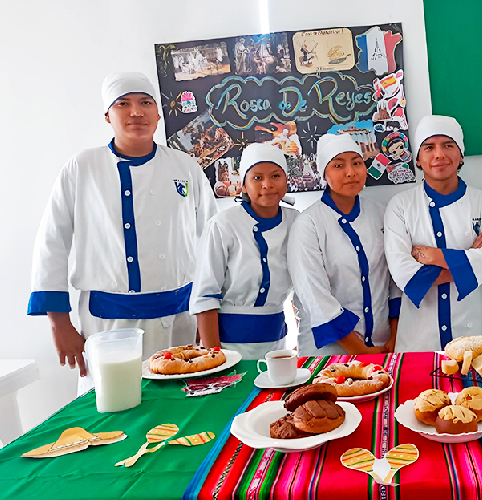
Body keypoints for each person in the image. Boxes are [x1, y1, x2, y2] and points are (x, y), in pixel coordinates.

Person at [27, 72, 218, 391]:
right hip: (108, 321)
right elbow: (52, 242)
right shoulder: (83, 168)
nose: (136, 112)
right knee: (111, 409)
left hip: (179, 317)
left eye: (145, 103)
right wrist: (59, 322)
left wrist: (208, 315)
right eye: (123, 104)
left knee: (178, 407)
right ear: (107, 116)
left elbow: (211, 241)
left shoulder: (185, 168)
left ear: (158, 114)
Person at [384, 115, 482, 352]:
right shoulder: (400, 206)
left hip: (478, 336)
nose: (439, 154)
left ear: (460, 154)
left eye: (448, 145)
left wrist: (435, 256)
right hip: (420, 341)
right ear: (418, 159)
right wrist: (470, 257)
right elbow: (404, 274)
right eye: (429, 147)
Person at [288, 133, 400, 356]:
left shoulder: (381, 214)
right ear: (324, 174)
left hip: (384, 345)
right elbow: (315, 296)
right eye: (339, 165)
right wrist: (362, 351)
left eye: (357, 163)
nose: (351, 172)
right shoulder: (308, 225)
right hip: (331, 351)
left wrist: (395, 337)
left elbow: (394, 280)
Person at [190, 143, 298, 359]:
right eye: (257, 178)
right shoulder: (223, 225)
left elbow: (304, 286)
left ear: (287, 180)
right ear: (244, 186)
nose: (267, 185)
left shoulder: (296, 222)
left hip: (277, 345)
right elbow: (204, 297)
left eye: (276, 176)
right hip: (226, 345)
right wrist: (215, 358)